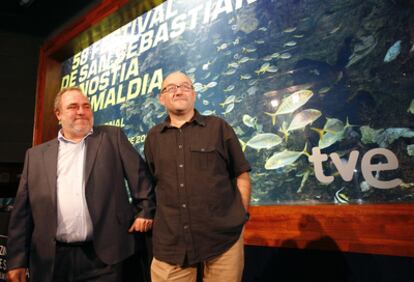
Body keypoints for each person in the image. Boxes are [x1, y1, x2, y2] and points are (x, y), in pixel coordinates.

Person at [6, 87, 155, 282]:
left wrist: (145, 210)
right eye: (73, 107)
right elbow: (22, 213)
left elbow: (141, 177)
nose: (81, 111)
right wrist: (16, 260)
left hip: (105, 258)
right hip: (52, 261)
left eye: (86, 106)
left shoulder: (112, 137)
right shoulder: (35, 156)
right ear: (58, 114)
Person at [144, 71, 251, 281]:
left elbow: (241, 174)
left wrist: (240, 216)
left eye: (185, 86)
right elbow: (153, 183)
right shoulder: (153, 137)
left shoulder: (218, 127)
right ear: (162, 98)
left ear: (194, 94)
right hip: (171, 244)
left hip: (223, 240)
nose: (178, 91)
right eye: (171, 88)